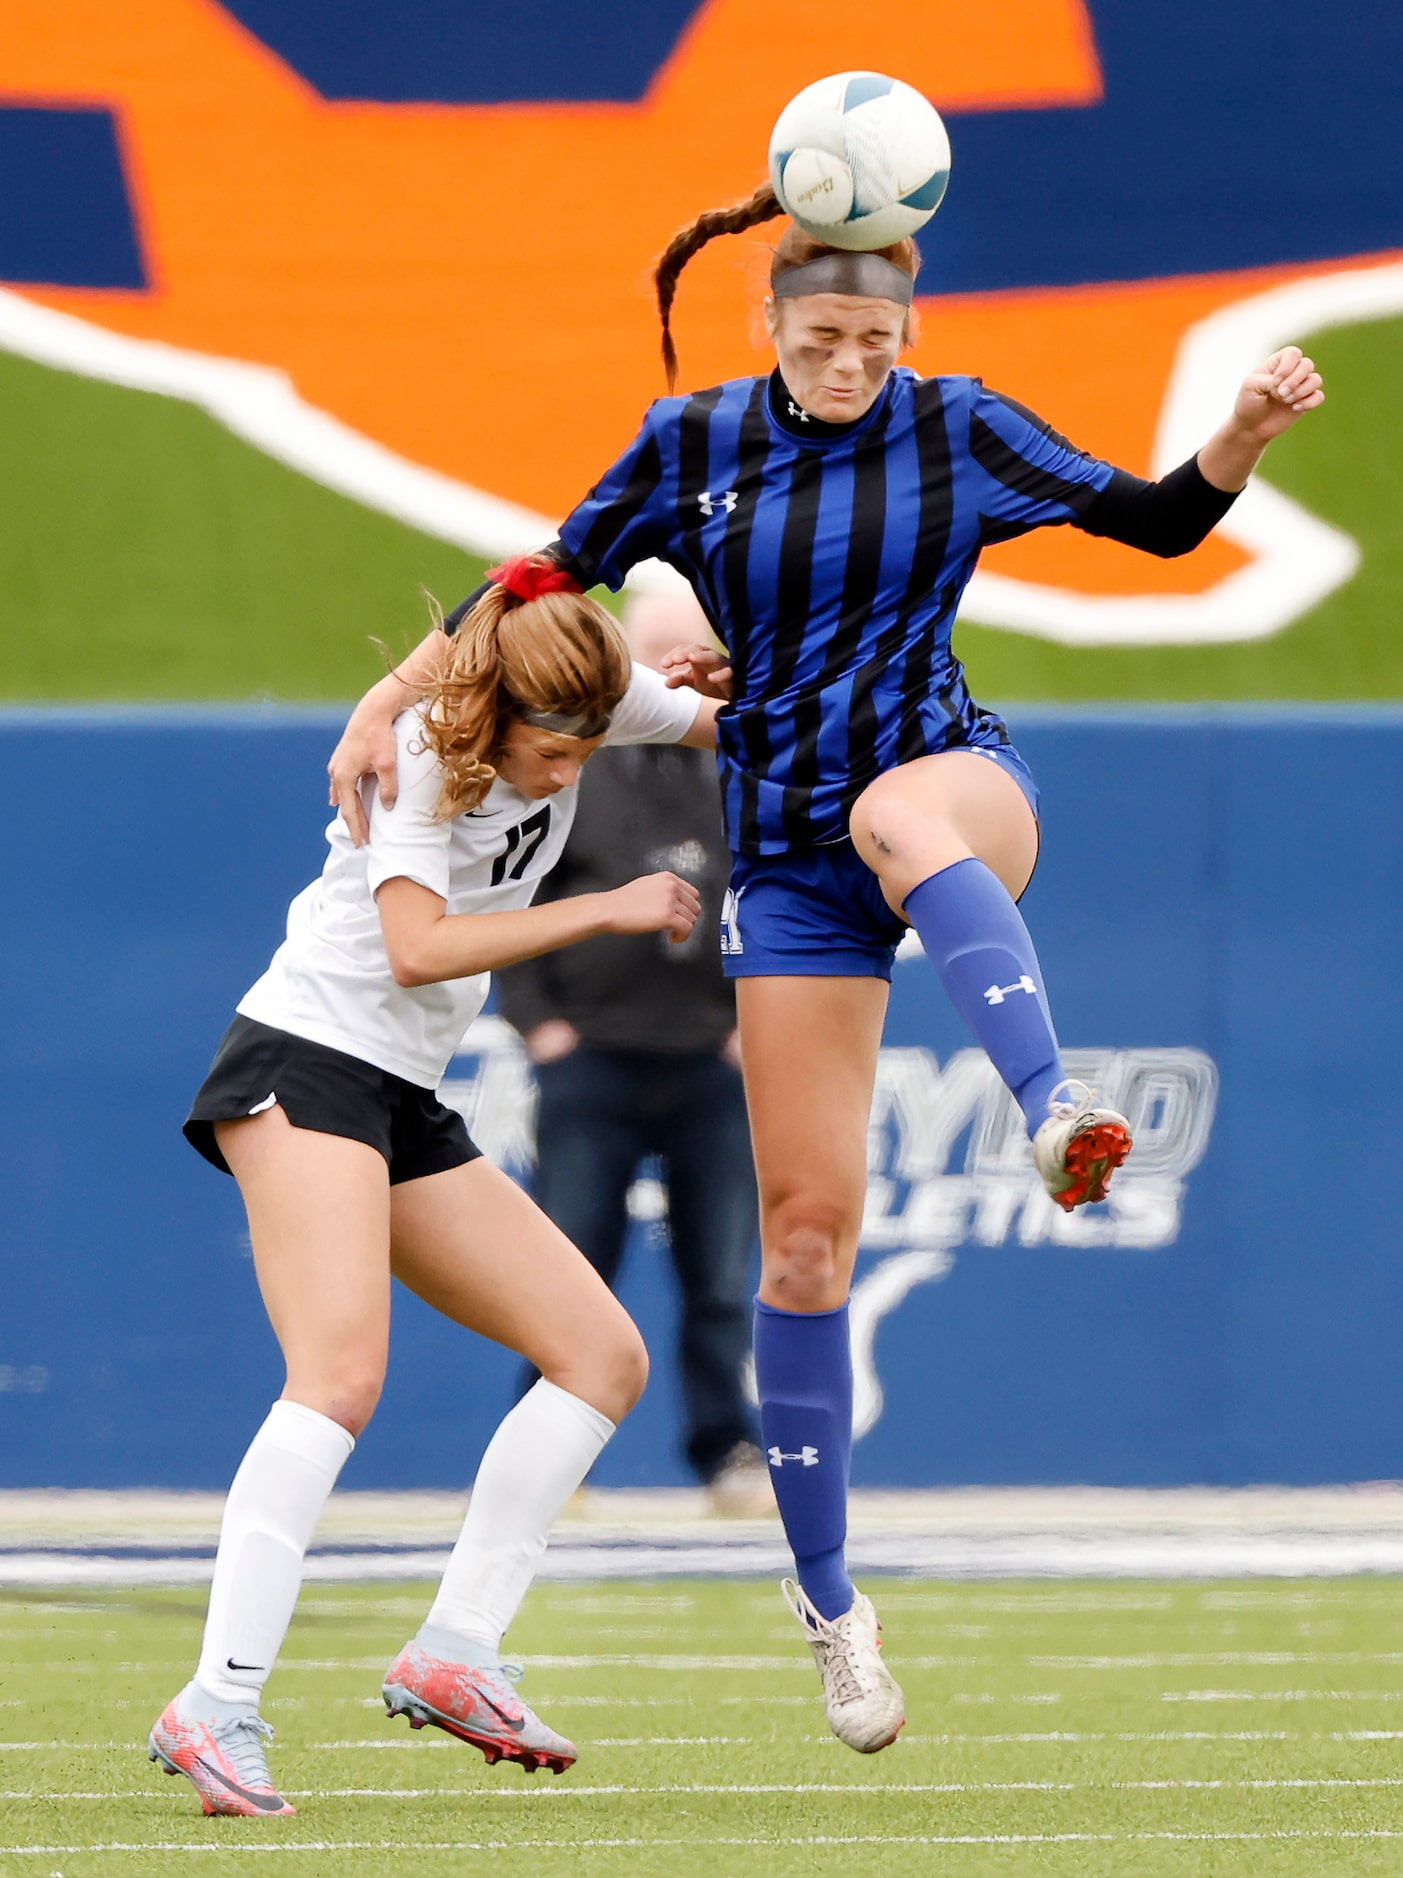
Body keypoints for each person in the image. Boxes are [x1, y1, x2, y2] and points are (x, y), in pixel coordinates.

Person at [327, 182, 1324, 1756]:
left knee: (898, 804)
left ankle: (1052, 1107)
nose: (847, 358)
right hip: (783, 856)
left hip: (946, 783)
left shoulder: (956, 427)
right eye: (820, 334)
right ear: (768, 326)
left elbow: (1151, 518)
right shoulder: (692, 442)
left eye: (872, 335)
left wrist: (1240, 433)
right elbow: (535, 583)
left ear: (906, 332)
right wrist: (389, 695)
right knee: (801, 1242)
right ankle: (831, 1610)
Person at [149, 557, 717, 1817]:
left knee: (599, 1356)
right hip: (303, 1063)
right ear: (493, 713)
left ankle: (456, 1651)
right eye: (549, 755)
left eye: (586, 751)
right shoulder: (420, 747)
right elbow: (415, 952)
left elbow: (709, 713)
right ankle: (217, 1702)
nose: (569, 774)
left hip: (398, 1091)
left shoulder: (591, 691)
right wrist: (604, 908)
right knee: (339, 1379)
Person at [496, 588, 768, 1514]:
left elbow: (773, 894)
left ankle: (727, 1449)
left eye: (688, 652)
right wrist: (540, 1023)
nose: (669, 672)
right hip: (593, 1056)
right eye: (651, 652)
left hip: (709, 1057)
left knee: (721, 1274)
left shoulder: (738, 769)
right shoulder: (571, 763)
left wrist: (751, 1025)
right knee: (567, 1264)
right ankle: (549, 1456)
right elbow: (515, 894)